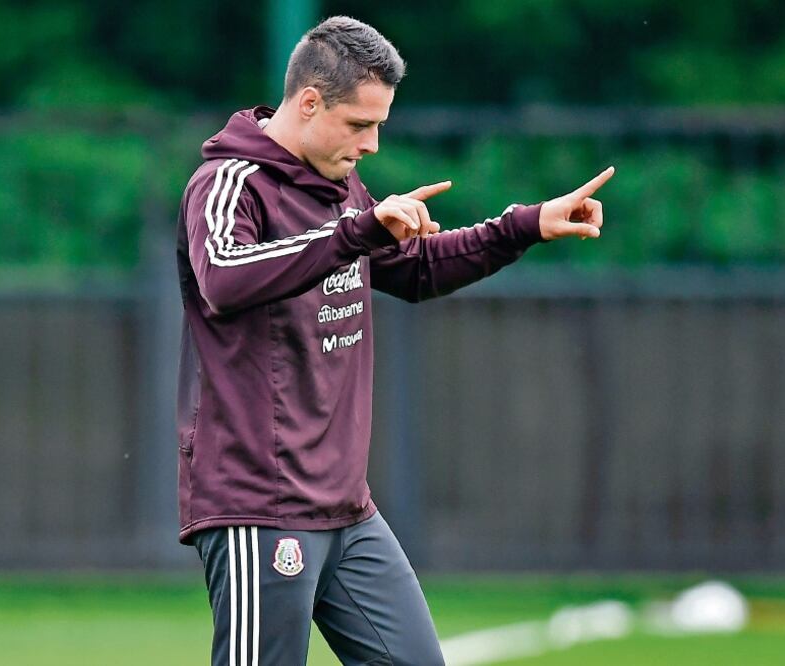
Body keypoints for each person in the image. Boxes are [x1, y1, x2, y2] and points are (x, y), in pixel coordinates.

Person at [175, 15, 614, 666]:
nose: (372, 144)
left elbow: (413, 269)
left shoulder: (338, 186)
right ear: (309, 102)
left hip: (346, 510)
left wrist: (524, 226)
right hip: (259, 505)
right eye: (360, 124)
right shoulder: (227, 183)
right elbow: (225, 277)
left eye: (379, 124)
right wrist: (356, 232)